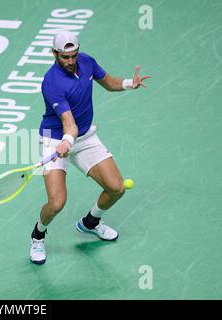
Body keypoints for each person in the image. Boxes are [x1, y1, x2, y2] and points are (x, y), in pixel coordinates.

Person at [30, 31, 151, 264]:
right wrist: (66, 140)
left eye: (73, 55)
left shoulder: (87, 61)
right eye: (65, 57)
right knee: (57, 203)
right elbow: (68, 122)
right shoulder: (51, 82)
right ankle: (37, 236)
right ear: (54, 53)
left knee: (116, 188)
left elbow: (109, 83)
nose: (71, 61)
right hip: (55, 140)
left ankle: (90, 223)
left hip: (84, 137)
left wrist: (129, 83)